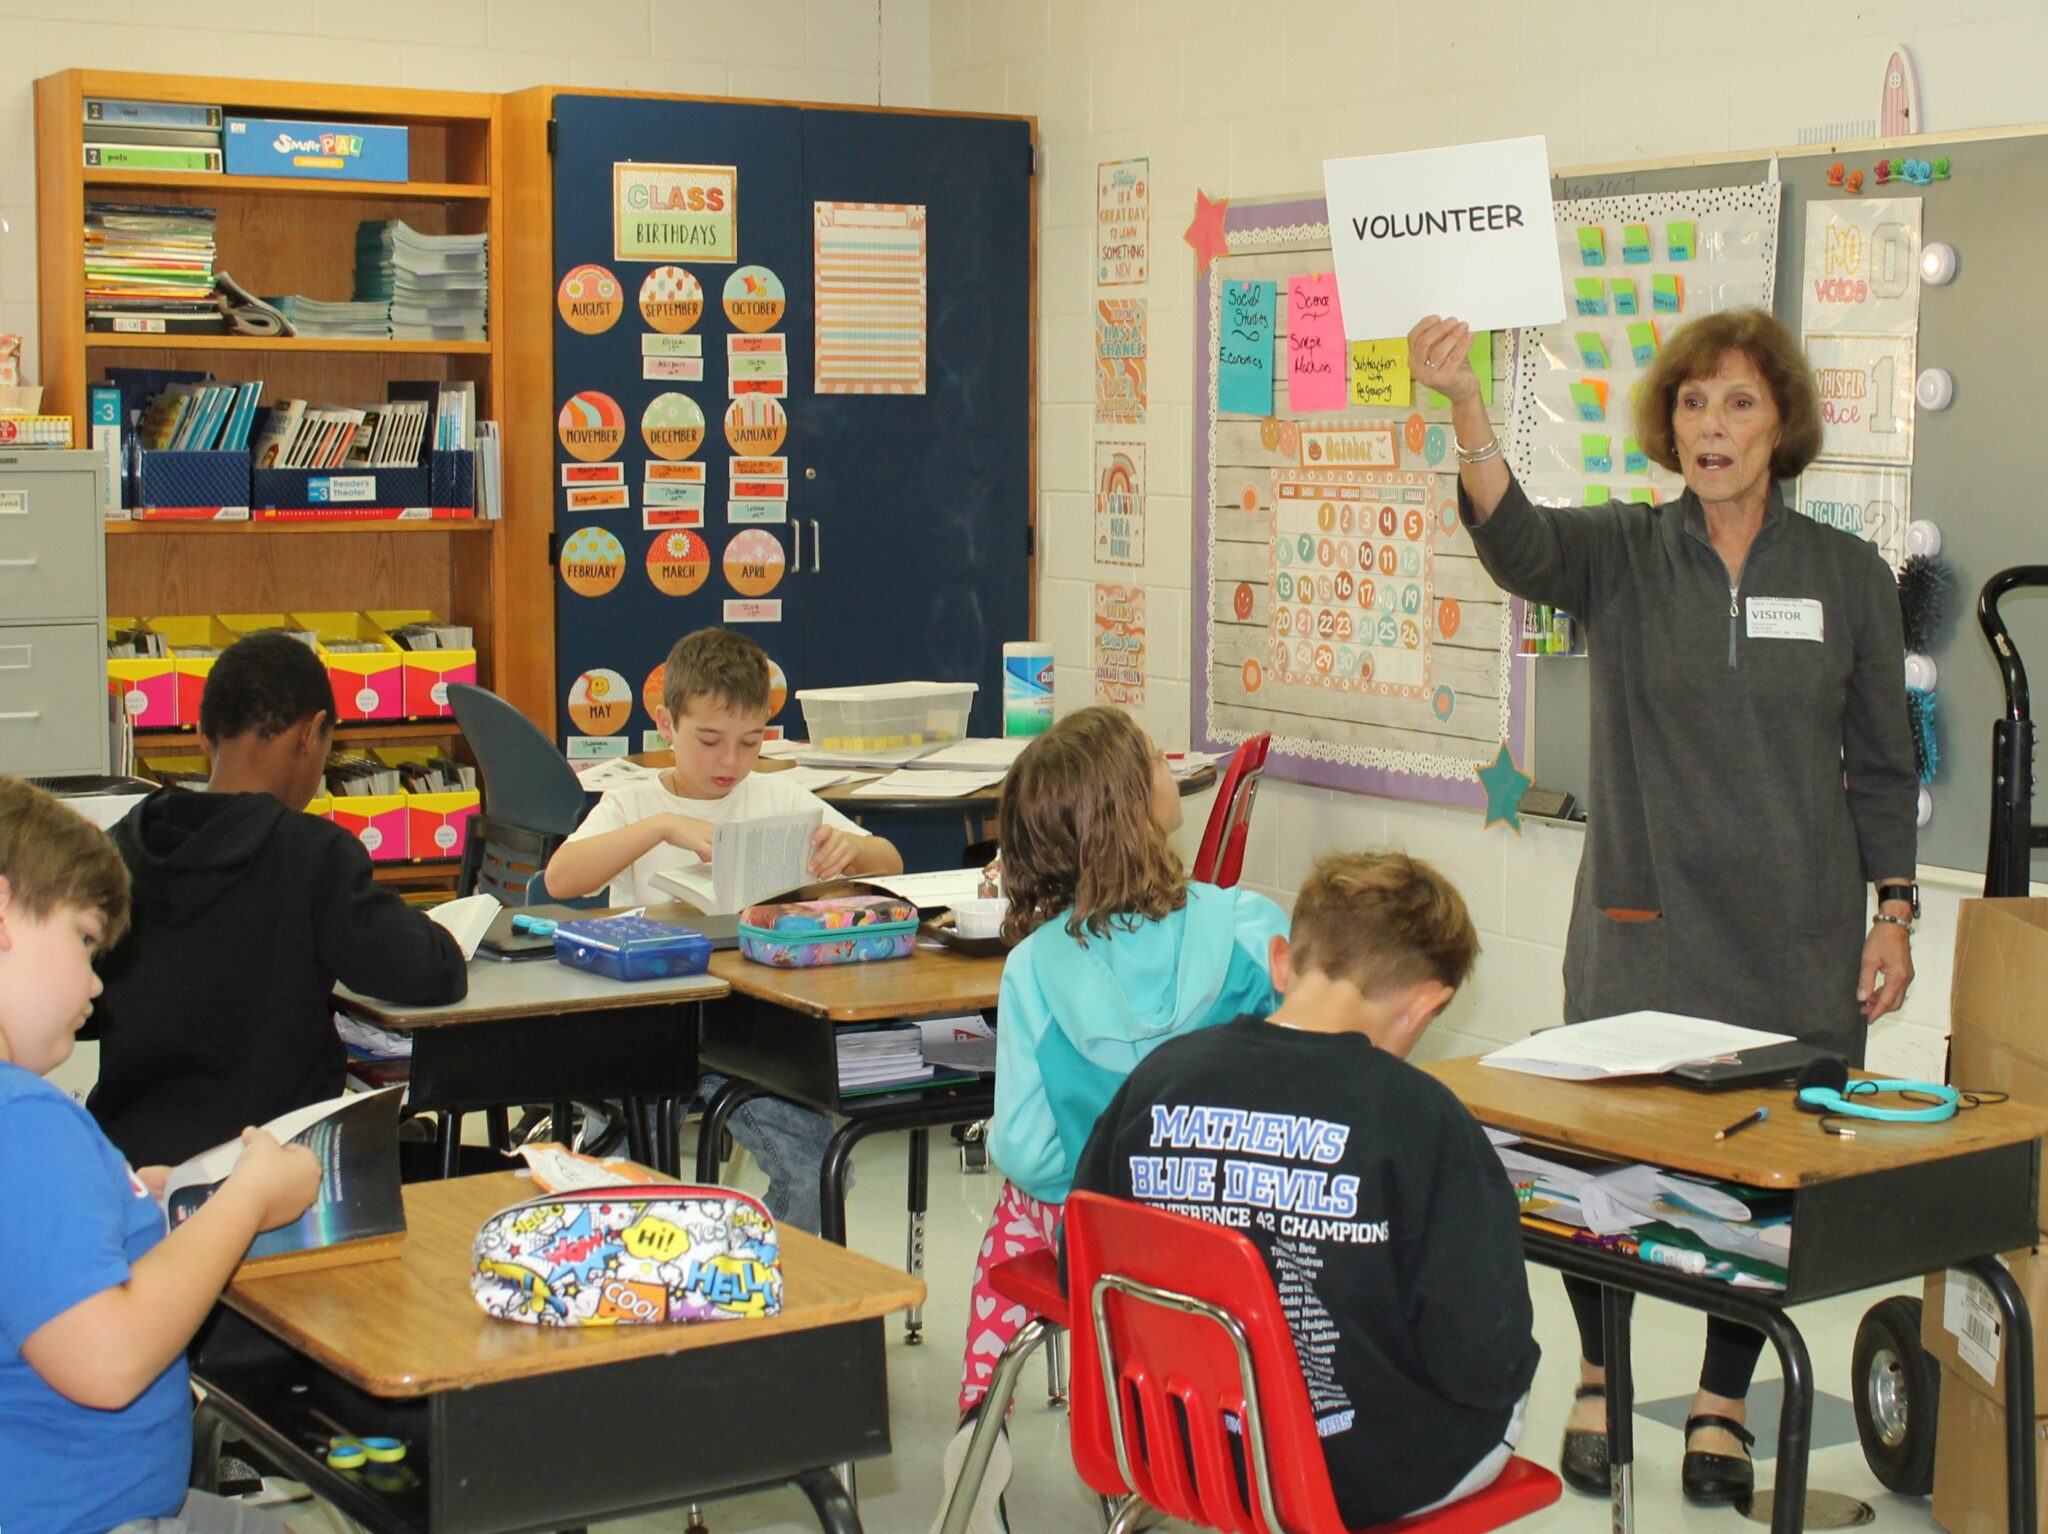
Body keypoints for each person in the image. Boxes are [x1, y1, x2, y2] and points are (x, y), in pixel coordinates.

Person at [1408, 306, 1919, 1504]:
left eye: (1737, 401)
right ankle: (1598, 1374)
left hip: (1794, 937)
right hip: (1640, 924)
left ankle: (1719, 1400)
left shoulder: (1845, 576)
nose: (1711, 425)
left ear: (1780, 423)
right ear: (1667, 424)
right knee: (1600, 1167)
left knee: (1760, 1181)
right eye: (1692, 402)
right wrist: (1466, 406)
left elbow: (1881, 763)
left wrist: (1892, 910)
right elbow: (1516, 543)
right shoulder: (1621, 553)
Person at [1071, 850, 1536, 1528]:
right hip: (1361, 1478)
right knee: (1510, 1384)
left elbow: (1080, 1266)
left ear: (1281, 961)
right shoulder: (1426, 1120)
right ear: (1426, 1003)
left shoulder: (1160, 1078)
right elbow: (1483, 1360)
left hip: (1173, 1446)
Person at [934, 705, 1289, 1534]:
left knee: (1015, 1218)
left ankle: (980, 1422)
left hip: (1107, 1244)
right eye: (1157, 763)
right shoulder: (1251, 927)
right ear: (1137, 809)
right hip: (1240, 1237)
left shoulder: (1033, 968)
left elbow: (1028, 1148)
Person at [0, 774, 322, 1534]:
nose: (95, 984)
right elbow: (107, 1362)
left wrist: (125, 1204)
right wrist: (245, 1199)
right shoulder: (25, 1118)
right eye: (85, 940)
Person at [545, 627, 903, 1230]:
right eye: (709, 741)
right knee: (621, 1190)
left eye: (750, 741)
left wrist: (853, 851)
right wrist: (661, 828)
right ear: (667, 724)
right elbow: (560, 880)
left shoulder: (776, 796)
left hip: (748, 1034)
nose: (731, 761)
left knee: (820, 1169)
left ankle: (747, 1269)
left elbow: (890, 861)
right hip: (645, 1029)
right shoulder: (632, 804)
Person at [88, 631, 467, 1168]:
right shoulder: (311, 854)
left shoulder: (119, 847)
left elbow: (85, 1012)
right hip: (276, 1171)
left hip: (128, 1170)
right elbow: (431, 971)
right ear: (311, 734)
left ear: (203, 737)